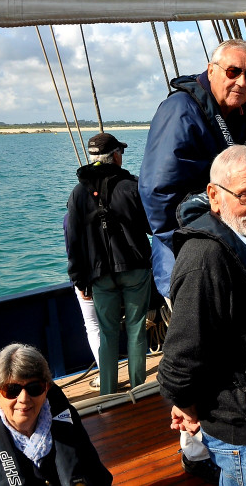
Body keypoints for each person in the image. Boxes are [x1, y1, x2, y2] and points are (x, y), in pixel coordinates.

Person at [138, 38, 246, 476]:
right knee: (198, 348)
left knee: (228, 348)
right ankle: (197, 449)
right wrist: (196, 247)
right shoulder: (182, 110)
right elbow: (157, 192)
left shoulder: (233, 116)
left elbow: (229, 168)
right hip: (194, 258)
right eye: (232, 71)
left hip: (232, 253)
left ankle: (216, 436)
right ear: (211, 69)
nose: (241, 81)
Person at [157, 145, 246, 486]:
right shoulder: (204, 259)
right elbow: (179, 360)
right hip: (243, 430)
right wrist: (185, 404)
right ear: (214, 195)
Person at [0, 343, 112, 485]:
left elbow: (100, 479)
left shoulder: (67, 422)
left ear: (46, 389)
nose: (24, 399)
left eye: (34, 388)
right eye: (12, 390)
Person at [66, 132, 152, 396]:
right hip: (134, 269)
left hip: (99, 274)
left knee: (107, 333)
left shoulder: (78, 193)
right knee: (136, 330)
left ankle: (108, 392)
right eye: (120, 152)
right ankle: (138, 388)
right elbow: (151, 226)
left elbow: (73, 239)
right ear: (115, 156)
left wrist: (78, 278)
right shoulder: (131, 187)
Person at [63, 213, 101, 389]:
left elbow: (73, 252)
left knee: (93, 326)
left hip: (89, 280)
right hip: (115, 275)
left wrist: (79, 282)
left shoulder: (71, 218)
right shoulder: (108, 209)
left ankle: (106, 374)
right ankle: (136, 373)